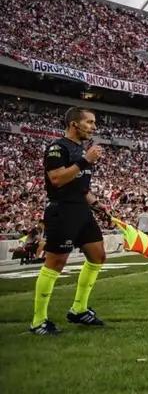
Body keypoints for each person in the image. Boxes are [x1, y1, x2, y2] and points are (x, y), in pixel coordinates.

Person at [30, 107, 109, 335]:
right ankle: (38, 321)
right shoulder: (58, 148)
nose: (94, 127)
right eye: (89, 122)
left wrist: (96, 203)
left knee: (98, 256)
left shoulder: (78, 148)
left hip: (82, 210)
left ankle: (79, 309)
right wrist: (85, 161)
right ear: (74, 124)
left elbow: (79, 186)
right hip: (62, 211)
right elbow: (56, 179)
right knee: (55, 263)